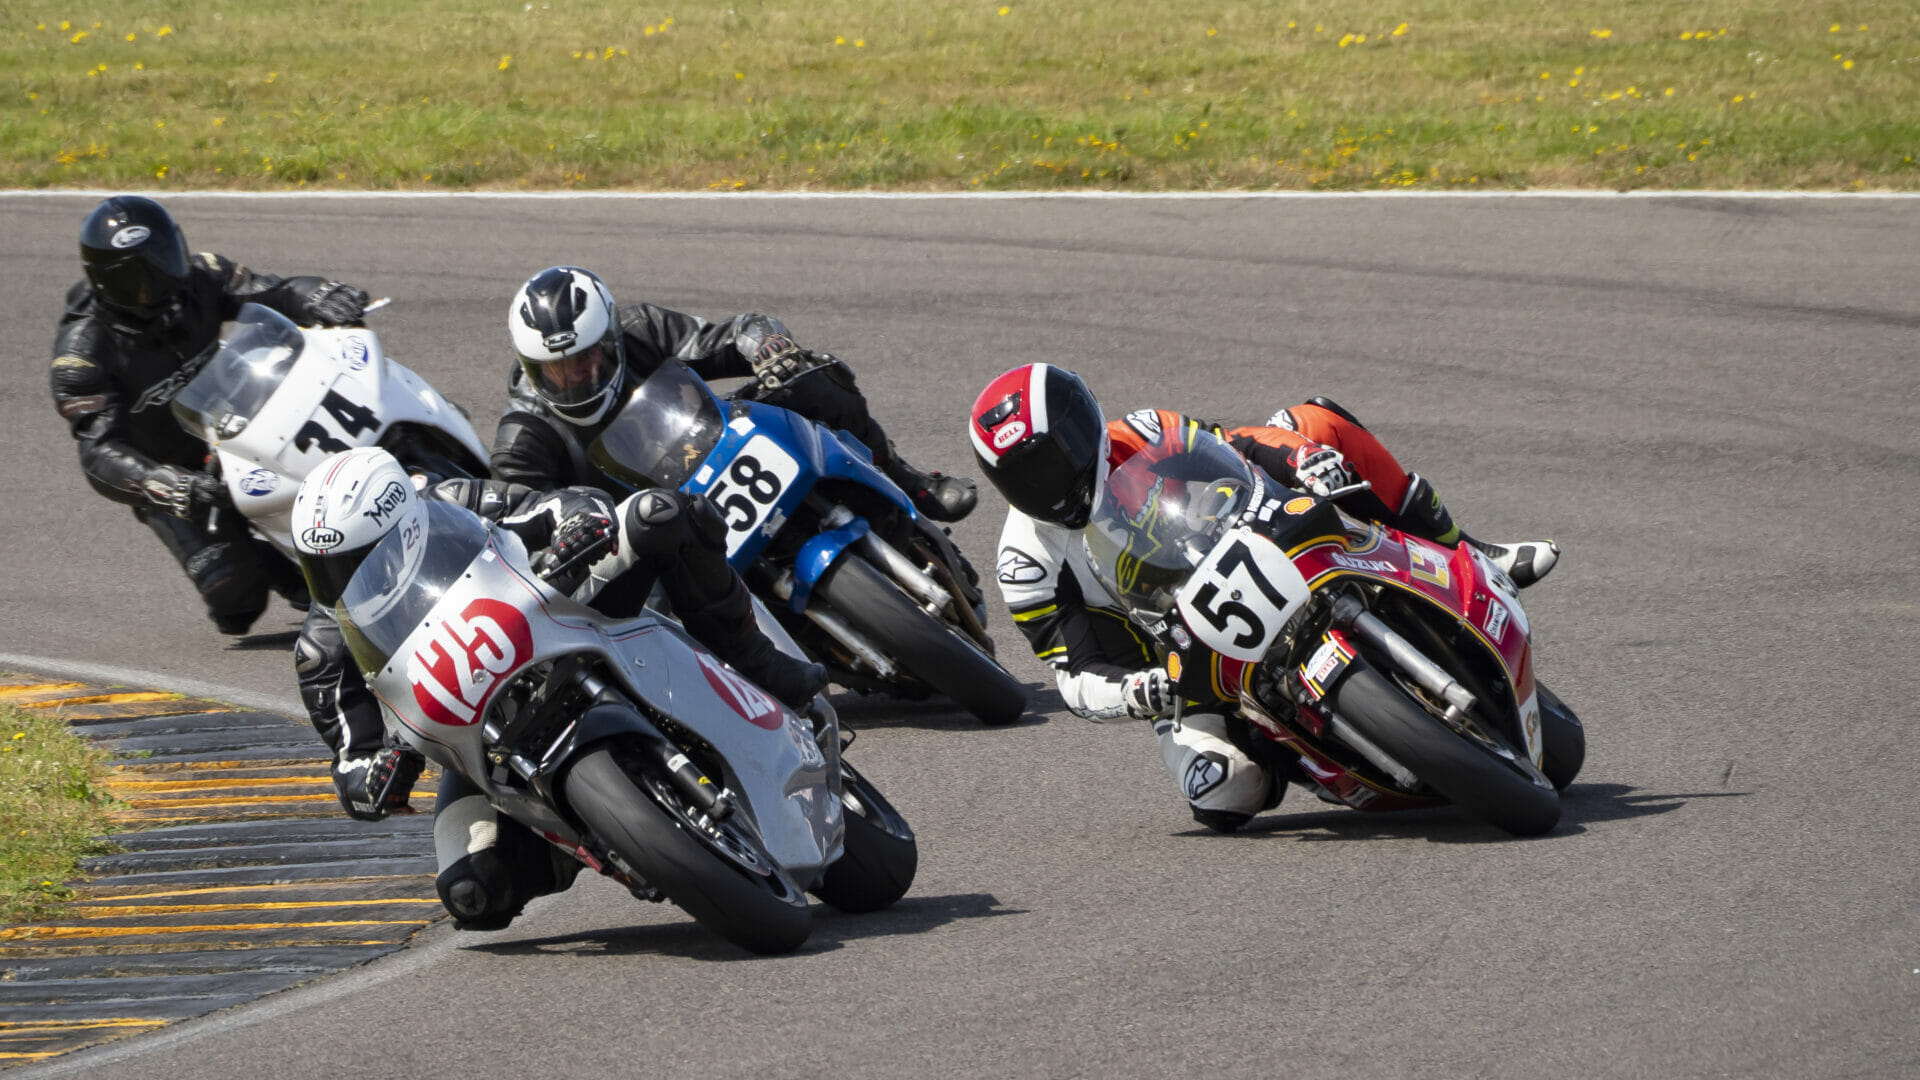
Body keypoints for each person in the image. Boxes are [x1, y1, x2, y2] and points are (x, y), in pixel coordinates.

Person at [967, 362, 1560, 832]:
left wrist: (1306, 461)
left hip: (1253, 541)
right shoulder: (1025, 562)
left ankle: (1467, 549)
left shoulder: (1141, 432)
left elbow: (1240, 444)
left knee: (1318, 422)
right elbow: (1074, 676)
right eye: (1026, 476)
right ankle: (1288, 741)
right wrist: (1137, 691)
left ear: (1084, 427)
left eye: (1057, 457)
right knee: (1223, 791)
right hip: (1174, 664)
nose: (1052, 482)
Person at [290, 446, 827, 930]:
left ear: (404, 527)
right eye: (323, 571)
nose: (338, 583)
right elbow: (350, 760)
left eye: (350, 563)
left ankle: (756, 661)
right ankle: (606, 840)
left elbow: (552, 505)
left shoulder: (453, 501)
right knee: (472, 892)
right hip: (481, 743)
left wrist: (577, 524)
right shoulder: (322, 649)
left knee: (656, 515)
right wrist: (376, 775)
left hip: (556, 615)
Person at [49, 195, 372, 634]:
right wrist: (164, 484)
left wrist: (318, 292)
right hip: (173, 472)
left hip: (240, 428)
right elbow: (98, 452)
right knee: (235, 599)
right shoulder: (82, 354)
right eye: (137, 278)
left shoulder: (201, 275)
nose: (159, 282)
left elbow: (274, 291)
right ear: (105, 282)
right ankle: (280, 566)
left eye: (165, 260)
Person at [490, 265, 976, 522]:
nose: (577, 375)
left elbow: (722, 339)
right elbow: (521, 516)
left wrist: (763, 342)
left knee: (814, 378)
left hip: (712, 442)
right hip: (651, 525)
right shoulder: (525, 436)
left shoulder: (641, 330)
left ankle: (906, 479)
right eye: (557, 368)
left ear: (612, 338)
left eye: (587, 357)